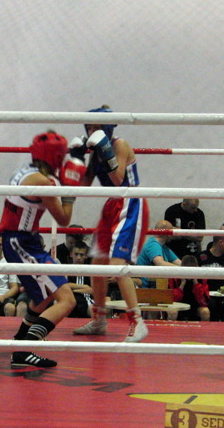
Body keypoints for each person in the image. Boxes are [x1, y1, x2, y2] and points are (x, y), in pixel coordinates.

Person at [1, 130, 79, 368]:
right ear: (56, 157)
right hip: (21, 243)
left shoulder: (27, 170)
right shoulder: (42, 182)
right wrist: (71, 190)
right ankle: (24, 351)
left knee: (43, 298)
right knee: (67, 301)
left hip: (24, 241)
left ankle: (19, 343)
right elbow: (64, 219)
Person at [72, 105, 149, 342]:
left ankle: (137, 321)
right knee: (97, 264)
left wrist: (105, 150)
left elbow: (118, 179)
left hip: (129, 202)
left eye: (95, 127)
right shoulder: (95, 152)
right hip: (111, 206)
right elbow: (83, 186)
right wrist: (76, 159)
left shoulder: (120, 145)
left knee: (116, 265)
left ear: (106, 128)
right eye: (89, 127)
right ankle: (99, 319)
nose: (91, 131)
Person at [198, 234, 224, 321]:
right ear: (221, 242)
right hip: (203, 297)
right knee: (211, 305)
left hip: (223, 297)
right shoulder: (200, 257)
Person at [136, 220, 181, 289]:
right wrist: (182, 271)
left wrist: (192, 269)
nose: (173, 234)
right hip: (147, 287)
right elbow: (160, 263)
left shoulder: (163, 247)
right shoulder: (153, 245)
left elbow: (180, 263)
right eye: (171, 230)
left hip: (156, 284)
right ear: (167, 233)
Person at [168, 255, 210, 322]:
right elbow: (172, 301)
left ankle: (204, 329)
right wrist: (182, 285)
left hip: (195, 306)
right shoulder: (174, 277)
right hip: (179, 306)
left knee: (205, 312)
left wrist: (196, 283)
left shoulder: (202, 278)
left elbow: (204, 302)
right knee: (172, 312)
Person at [67, 241, 94, 318]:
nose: (78, 258)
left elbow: (91, 290)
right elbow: (64, 286)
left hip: (87, 300)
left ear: (86, 256)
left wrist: (73, 288)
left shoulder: (91, 270)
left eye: (81, 255)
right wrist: (84, 287)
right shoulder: (65, 269)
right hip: (69, 298)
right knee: (58, 304)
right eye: (76, 254)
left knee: (93, 309)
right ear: (71, 254)